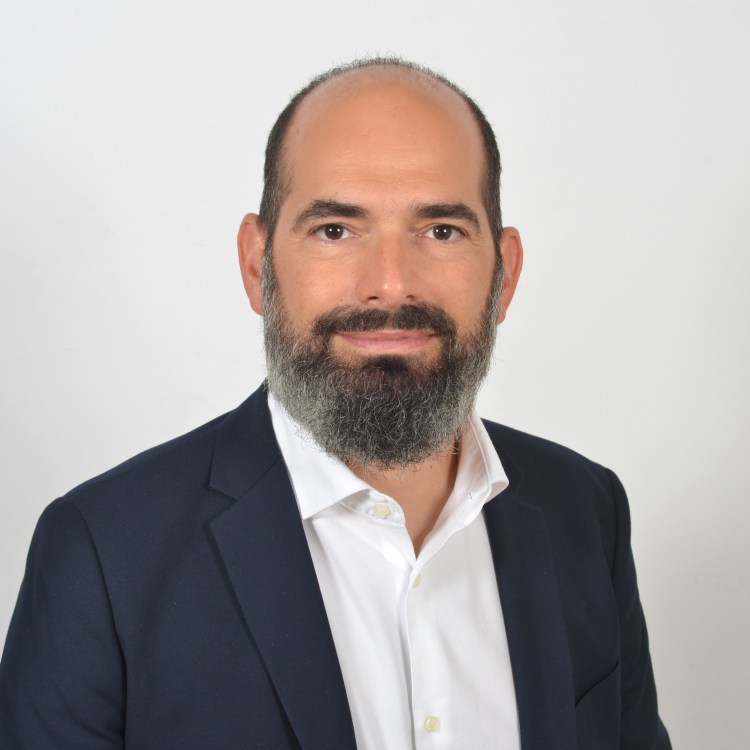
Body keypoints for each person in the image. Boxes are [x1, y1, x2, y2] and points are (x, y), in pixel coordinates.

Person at [0, 58, 671, 749]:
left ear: (505, 275)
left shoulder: (584, 510)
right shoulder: (103, 554)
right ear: (257, 265)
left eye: (441, 230)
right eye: (335, 230)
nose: (391, 283)